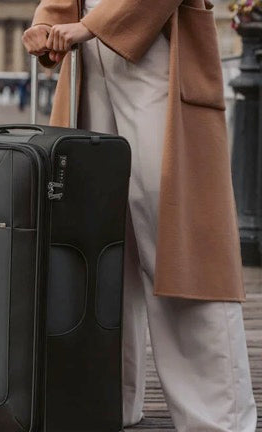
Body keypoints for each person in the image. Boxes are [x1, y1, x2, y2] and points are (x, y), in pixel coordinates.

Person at [22, 0, 257, 431]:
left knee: (179, 242)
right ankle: (107, 399)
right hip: (87, 64)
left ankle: (216, 418)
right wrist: (49, 22)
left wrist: (92, 25)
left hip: (162, 51)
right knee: (99, 242)